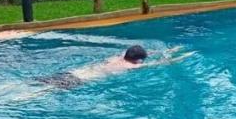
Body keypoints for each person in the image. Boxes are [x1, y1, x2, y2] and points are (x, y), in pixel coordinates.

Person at [36, 45, 189, 91]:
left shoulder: (118, 58)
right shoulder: (130, 67)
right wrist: (180, 57)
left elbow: (134, 53)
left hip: (74, 72)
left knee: (34, 85)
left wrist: (169, 50)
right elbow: (158, 63)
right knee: (38, 93)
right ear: (138, 61)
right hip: (78, 81)